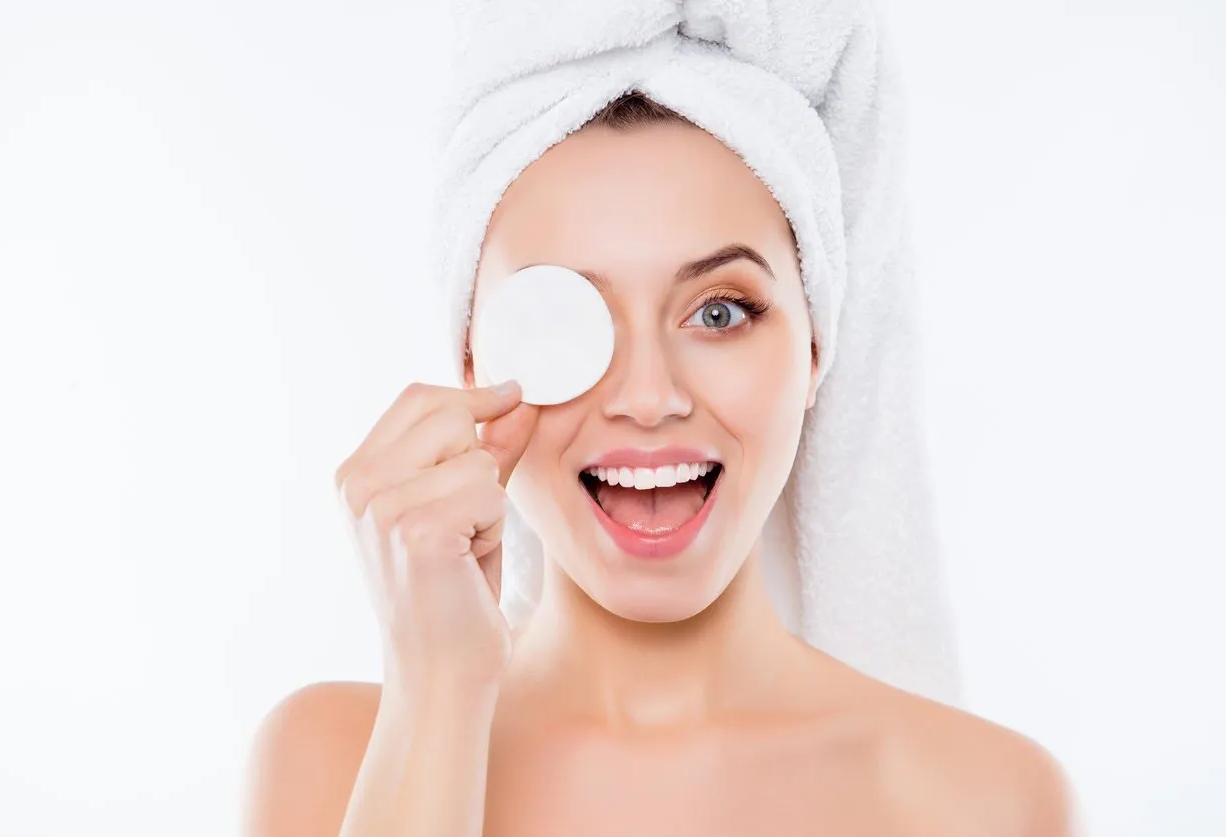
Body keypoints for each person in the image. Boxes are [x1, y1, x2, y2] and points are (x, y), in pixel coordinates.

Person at [240, 92, 1076, 836]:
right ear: (473, 365)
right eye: (565, 319)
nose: (647, 396)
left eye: (719, 311)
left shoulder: (990, 801)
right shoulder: (330, 765)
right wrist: (437, 697)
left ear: (817, 350)